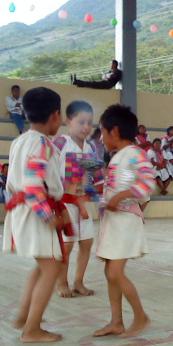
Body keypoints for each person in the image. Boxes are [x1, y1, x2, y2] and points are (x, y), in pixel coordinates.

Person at [2, 86, 66, 343]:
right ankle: (32, 329)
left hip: (21, 210)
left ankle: (23, 316)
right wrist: (49, 216)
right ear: (55, 115)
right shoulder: (42, 144)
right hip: (36, 211)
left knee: (42, 266)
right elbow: (33, 186)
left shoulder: (20, 141)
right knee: (52, 268)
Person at [92, 104, 156, 338]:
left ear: (114, 131)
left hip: (126, 221)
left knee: (116, 272)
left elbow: (147, 184)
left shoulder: (135, 154)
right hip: (113, 221)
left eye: (102, 131)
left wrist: (119, 196)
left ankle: (140, 316)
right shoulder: (118, 157)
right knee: (110, 272)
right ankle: (116, 321)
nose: (100, 137)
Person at [53, 101, 104, 298]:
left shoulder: (90, 147)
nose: (85, 127)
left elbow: (93, 176)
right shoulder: (60, 144)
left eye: (89, 123)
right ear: (68, 122)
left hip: (82, 203)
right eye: (81, 122)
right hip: (64, 203)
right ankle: (62, 282)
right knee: (67, 244)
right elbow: (51, 174)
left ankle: (78, 282)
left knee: (86, 242)